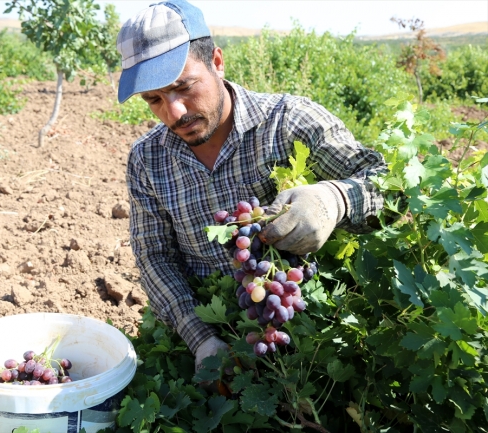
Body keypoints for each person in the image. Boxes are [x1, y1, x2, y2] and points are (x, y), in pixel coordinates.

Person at [117, 0, 386, 372]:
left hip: (312, 334)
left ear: (217, 61)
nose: (173, 112)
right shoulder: (148, 159)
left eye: (183, 87)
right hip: (215, 334)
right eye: (154, 100)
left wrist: (335, 199)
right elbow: (154, 256)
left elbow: (383, 183)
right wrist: (200, 338)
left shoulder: (290, 123)